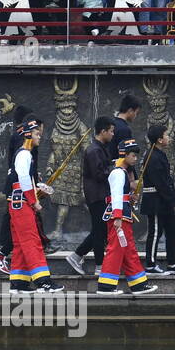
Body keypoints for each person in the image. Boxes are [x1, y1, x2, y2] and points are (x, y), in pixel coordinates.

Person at [7, 118, 61, 294]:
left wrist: (37, 188)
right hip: (22, 202)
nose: (40, 137)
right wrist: (33, 200)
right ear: (28, 135)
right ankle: (43, 282)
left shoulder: (24, 154)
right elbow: (23, 180)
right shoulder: (24, 154)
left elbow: (25, 179)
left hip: (17, 202)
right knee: (32, 241)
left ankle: (19, 282)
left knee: (21, 244)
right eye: (37, 134)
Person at [97, 138, 155, 296]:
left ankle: (138, 284)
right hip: (119, 216)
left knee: (128, 250)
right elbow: (115, 196)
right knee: (115, 249)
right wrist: (117, 217)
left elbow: (120, 196)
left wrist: (129, 196)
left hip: (123, 214)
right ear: (124, 155)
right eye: (133, 155)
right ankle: (105, 286)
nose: (135, 158)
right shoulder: (117, 172)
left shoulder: (121, 172)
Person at [66, 116, 114, 276]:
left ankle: (76, 256)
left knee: (99, 230)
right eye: (111, 131)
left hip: (101, 195)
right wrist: (115, 169)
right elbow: (99, 174)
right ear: (103, 131)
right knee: (100, 231)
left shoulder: (100, 148)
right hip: (97, 196)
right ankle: (99, 266)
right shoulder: (94, 150)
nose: (113, 134)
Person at [141, 124, 175, 273]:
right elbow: (160, 183)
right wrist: (173, 200)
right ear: (159, 139)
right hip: (155, 201)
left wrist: (173, 198)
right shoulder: (152, 156)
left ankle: (172, 263)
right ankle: (150, 265)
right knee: (155, 231)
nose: (169, 138)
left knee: (174, 229)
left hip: (164, 200)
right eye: (166, 135)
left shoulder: (160, 154)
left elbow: (167, 180)